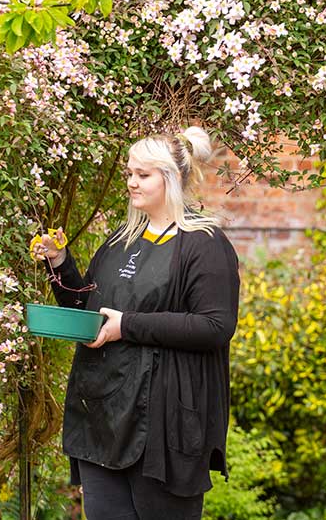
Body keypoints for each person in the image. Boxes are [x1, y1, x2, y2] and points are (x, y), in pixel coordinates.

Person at [30, 126, 239, 520]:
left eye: (143, 175)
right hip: (104, 418)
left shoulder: (204, 244)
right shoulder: (121, 239)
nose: (131, 183)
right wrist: (59, 262)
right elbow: (89, 308)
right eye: (129, 173)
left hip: (164, 426)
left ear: (172, 179)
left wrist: (129, 326)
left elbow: (215, 326)